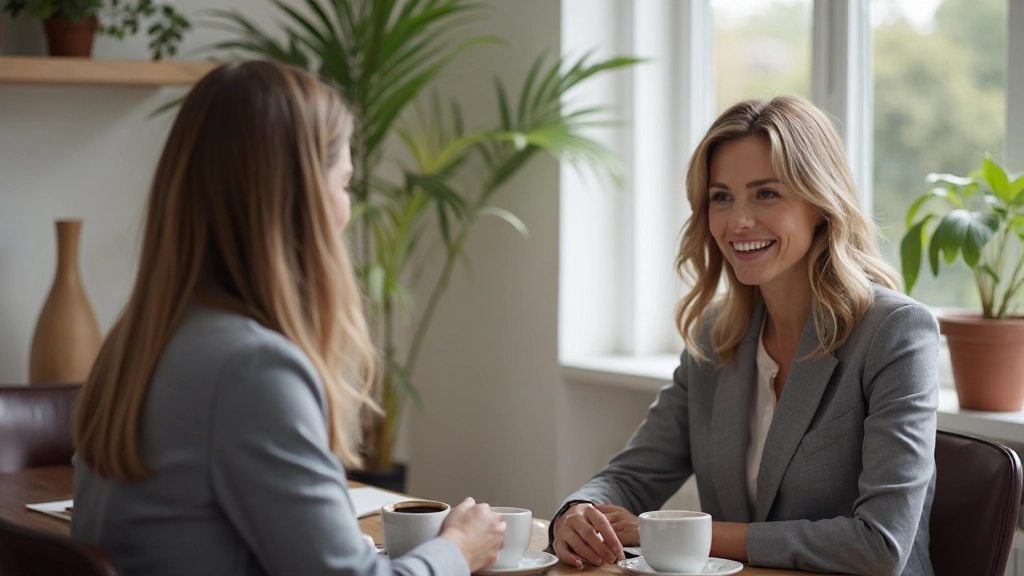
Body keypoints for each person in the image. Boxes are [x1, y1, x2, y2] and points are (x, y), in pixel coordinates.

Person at [70, 60, 505, 576]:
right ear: (299, 201)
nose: (347, 211)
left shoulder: (135, 343)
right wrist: (458, 547)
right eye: (344, 186)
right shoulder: (251, 369)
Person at [550, 95, 939, 576]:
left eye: (766, 193)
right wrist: (577, 514)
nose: (738, 221)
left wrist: (683, 533)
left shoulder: (894, 332)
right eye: (722, 197)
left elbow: (879, 546)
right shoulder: (717, 336)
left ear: (820, 202)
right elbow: (630, 476)